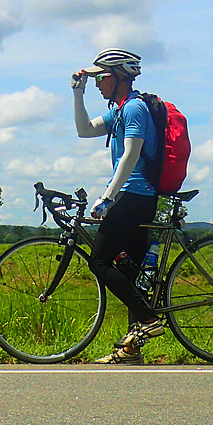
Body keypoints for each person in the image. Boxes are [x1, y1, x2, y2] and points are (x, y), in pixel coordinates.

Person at [71, 47, 165, 365]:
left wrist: (108, 197)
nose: (98, 83)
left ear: (119, 77)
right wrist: (78, 92)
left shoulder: (135, 108)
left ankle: (149, 320)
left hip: (135, 196)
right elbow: (84, 130)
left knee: (98, 261)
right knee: (129, 273)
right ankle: (131, 349)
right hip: (135, 196)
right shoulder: (120, 109)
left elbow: (131, 154)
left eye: (102, 77)